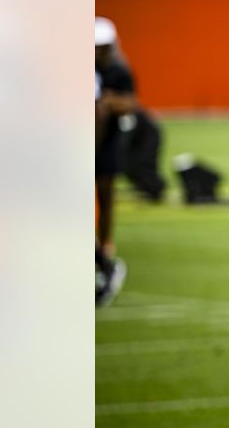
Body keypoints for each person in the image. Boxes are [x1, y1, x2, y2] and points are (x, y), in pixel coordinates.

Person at [95, 16, 134, 306]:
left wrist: (110, 103)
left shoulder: (120, 70)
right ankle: (103, 263)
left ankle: (106, 254)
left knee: (107, 194)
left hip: (108, 144)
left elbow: (130, 103)